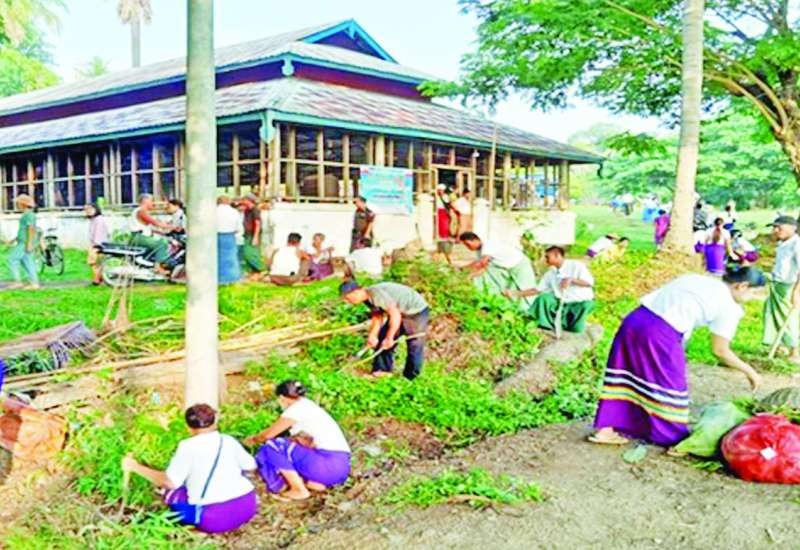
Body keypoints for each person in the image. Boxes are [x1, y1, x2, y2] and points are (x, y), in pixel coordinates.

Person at [590, 269, 762, 448]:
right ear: (742, 286)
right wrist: (750, 372)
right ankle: (670, 436)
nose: (753, 298)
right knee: (671, 384)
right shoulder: (729, 307)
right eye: (753, 292)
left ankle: (606, 430)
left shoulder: (696, 278)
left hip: (635, 320)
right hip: (661, 333)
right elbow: (720, 350)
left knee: (624, 374)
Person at [121, 404, 258, 534]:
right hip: (247, 506)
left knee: (168, 492)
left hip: (215, 519)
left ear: (188, 427)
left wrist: (135, 467)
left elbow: (169, 482)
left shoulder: (187, 447)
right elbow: (251, 466)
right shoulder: (227, 440)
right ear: (215, 422)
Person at [245, 380, 351, 502]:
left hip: (327, 464)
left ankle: (298, 489)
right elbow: (306, 441)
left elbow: (267, 435)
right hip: (341, 468)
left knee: (273, 446)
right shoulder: (308, 405)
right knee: (290, 448)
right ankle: (314, 483)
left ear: (281, 398)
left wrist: (250, 441)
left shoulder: (295, 410)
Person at [340, 280, 429, 380]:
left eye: (348, 298)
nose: (348, 302)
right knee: (382, 337)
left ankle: (411, 377)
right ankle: (381, 371)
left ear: (357, 292)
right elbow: (377, 315)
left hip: (415, 312)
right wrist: (373, 335)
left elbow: (395, 315)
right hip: (400, 312)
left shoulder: (376, 295)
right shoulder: (367, 298)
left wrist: (390, 338)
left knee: (414, 344)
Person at [505, 246, 595, 334]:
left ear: (557, 255)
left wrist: (572, 280)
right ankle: (543, 324)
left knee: (580, 318)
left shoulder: (576, 266)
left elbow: (589, 283)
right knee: (543, 298)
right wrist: (514, 293)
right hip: (561, 303)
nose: (546, 259)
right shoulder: (550, 273)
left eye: (547, 257)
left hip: (579, 304)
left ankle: (572, 326)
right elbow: (536, 290)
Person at [459, 232, 537, 309]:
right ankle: (510, 307)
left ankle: (529, 309)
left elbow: (482, 264)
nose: (467, 247)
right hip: (509, 268)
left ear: (475, 240)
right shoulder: (480, 251)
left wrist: (468, 275)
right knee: (511, 289)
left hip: (520, 264)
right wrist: (463, 269)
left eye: (467, 244)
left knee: (524, 288)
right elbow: (482, 266)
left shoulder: (487, 245)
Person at [763, 216, 800, 363]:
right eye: (774, 227)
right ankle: (780, 346)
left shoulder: (797, 244)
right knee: (772, 315)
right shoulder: (782, 243)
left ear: (792, 228)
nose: (775, 230)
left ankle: (794, 351)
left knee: (787, 318)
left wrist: (796, 292)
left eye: (779, 227)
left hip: (788, 286)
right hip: (777, 284)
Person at [129, 194, 175, 273]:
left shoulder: (139, 211)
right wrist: (174, 227)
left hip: (140, 236)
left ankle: (152, 265)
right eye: (151, 201)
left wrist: (162, 232)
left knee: (162, 240)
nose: (153, 203)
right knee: (162, 243)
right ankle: (158, 267)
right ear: (145, 201)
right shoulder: (141, 211)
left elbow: (148, 227)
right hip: (139, 237)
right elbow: (155, 223)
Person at [7, 194, 40, 290]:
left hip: (25, 243)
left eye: (18, 203)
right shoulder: (27, 214)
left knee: (12, 259)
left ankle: (18, 282)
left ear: (23, 204)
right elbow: (24, 229)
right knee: (28, 262)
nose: (17, 205)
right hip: (24, 241)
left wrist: (29, 244)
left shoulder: (29, 215)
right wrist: (15, 239)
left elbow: (31, 229)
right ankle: (34, 283)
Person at [239, 194, 265, 278]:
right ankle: (253, 270)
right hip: (247, 234)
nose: (242, 201)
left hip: (253, 234)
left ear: (248, 200)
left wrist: (255, 236)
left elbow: (258, 223)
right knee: (247, 252)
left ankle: (261, 268)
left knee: (250, 253)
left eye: (244, 200)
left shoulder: (255, 210)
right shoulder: (247, 210)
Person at [217, 196, 242, 285]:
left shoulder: (213, 211)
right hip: (230, 235)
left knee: (217, 257)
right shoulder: (234, 212)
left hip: (216, 235)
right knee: (231, 257)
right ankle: (232, 277)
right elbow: (239, 227)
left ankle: (219, 277)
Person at [84, 203, 110, 285]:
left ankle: (97, 279)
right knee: (95, 262)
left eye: (90, 209)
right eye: (86, 209)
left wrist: (95, 245)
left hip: (98, 244)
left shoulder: (99, 220)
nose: (87, 211)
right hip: (96, 243)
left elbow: (99, 234)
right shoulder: (94, 220)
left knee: (93, 262)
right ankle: (99, 278)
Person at [435, 185, 456, 263]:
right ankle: (441, 236)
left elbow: (448, 204)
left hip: (444, 211)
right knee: (440, 224)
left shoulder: (446, 197)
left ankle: (445, 236)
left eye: (441, 190)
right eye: (439, 190)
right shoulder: (436, 197)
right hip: (438, 211)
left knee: (445, 224)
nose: (440, 191)